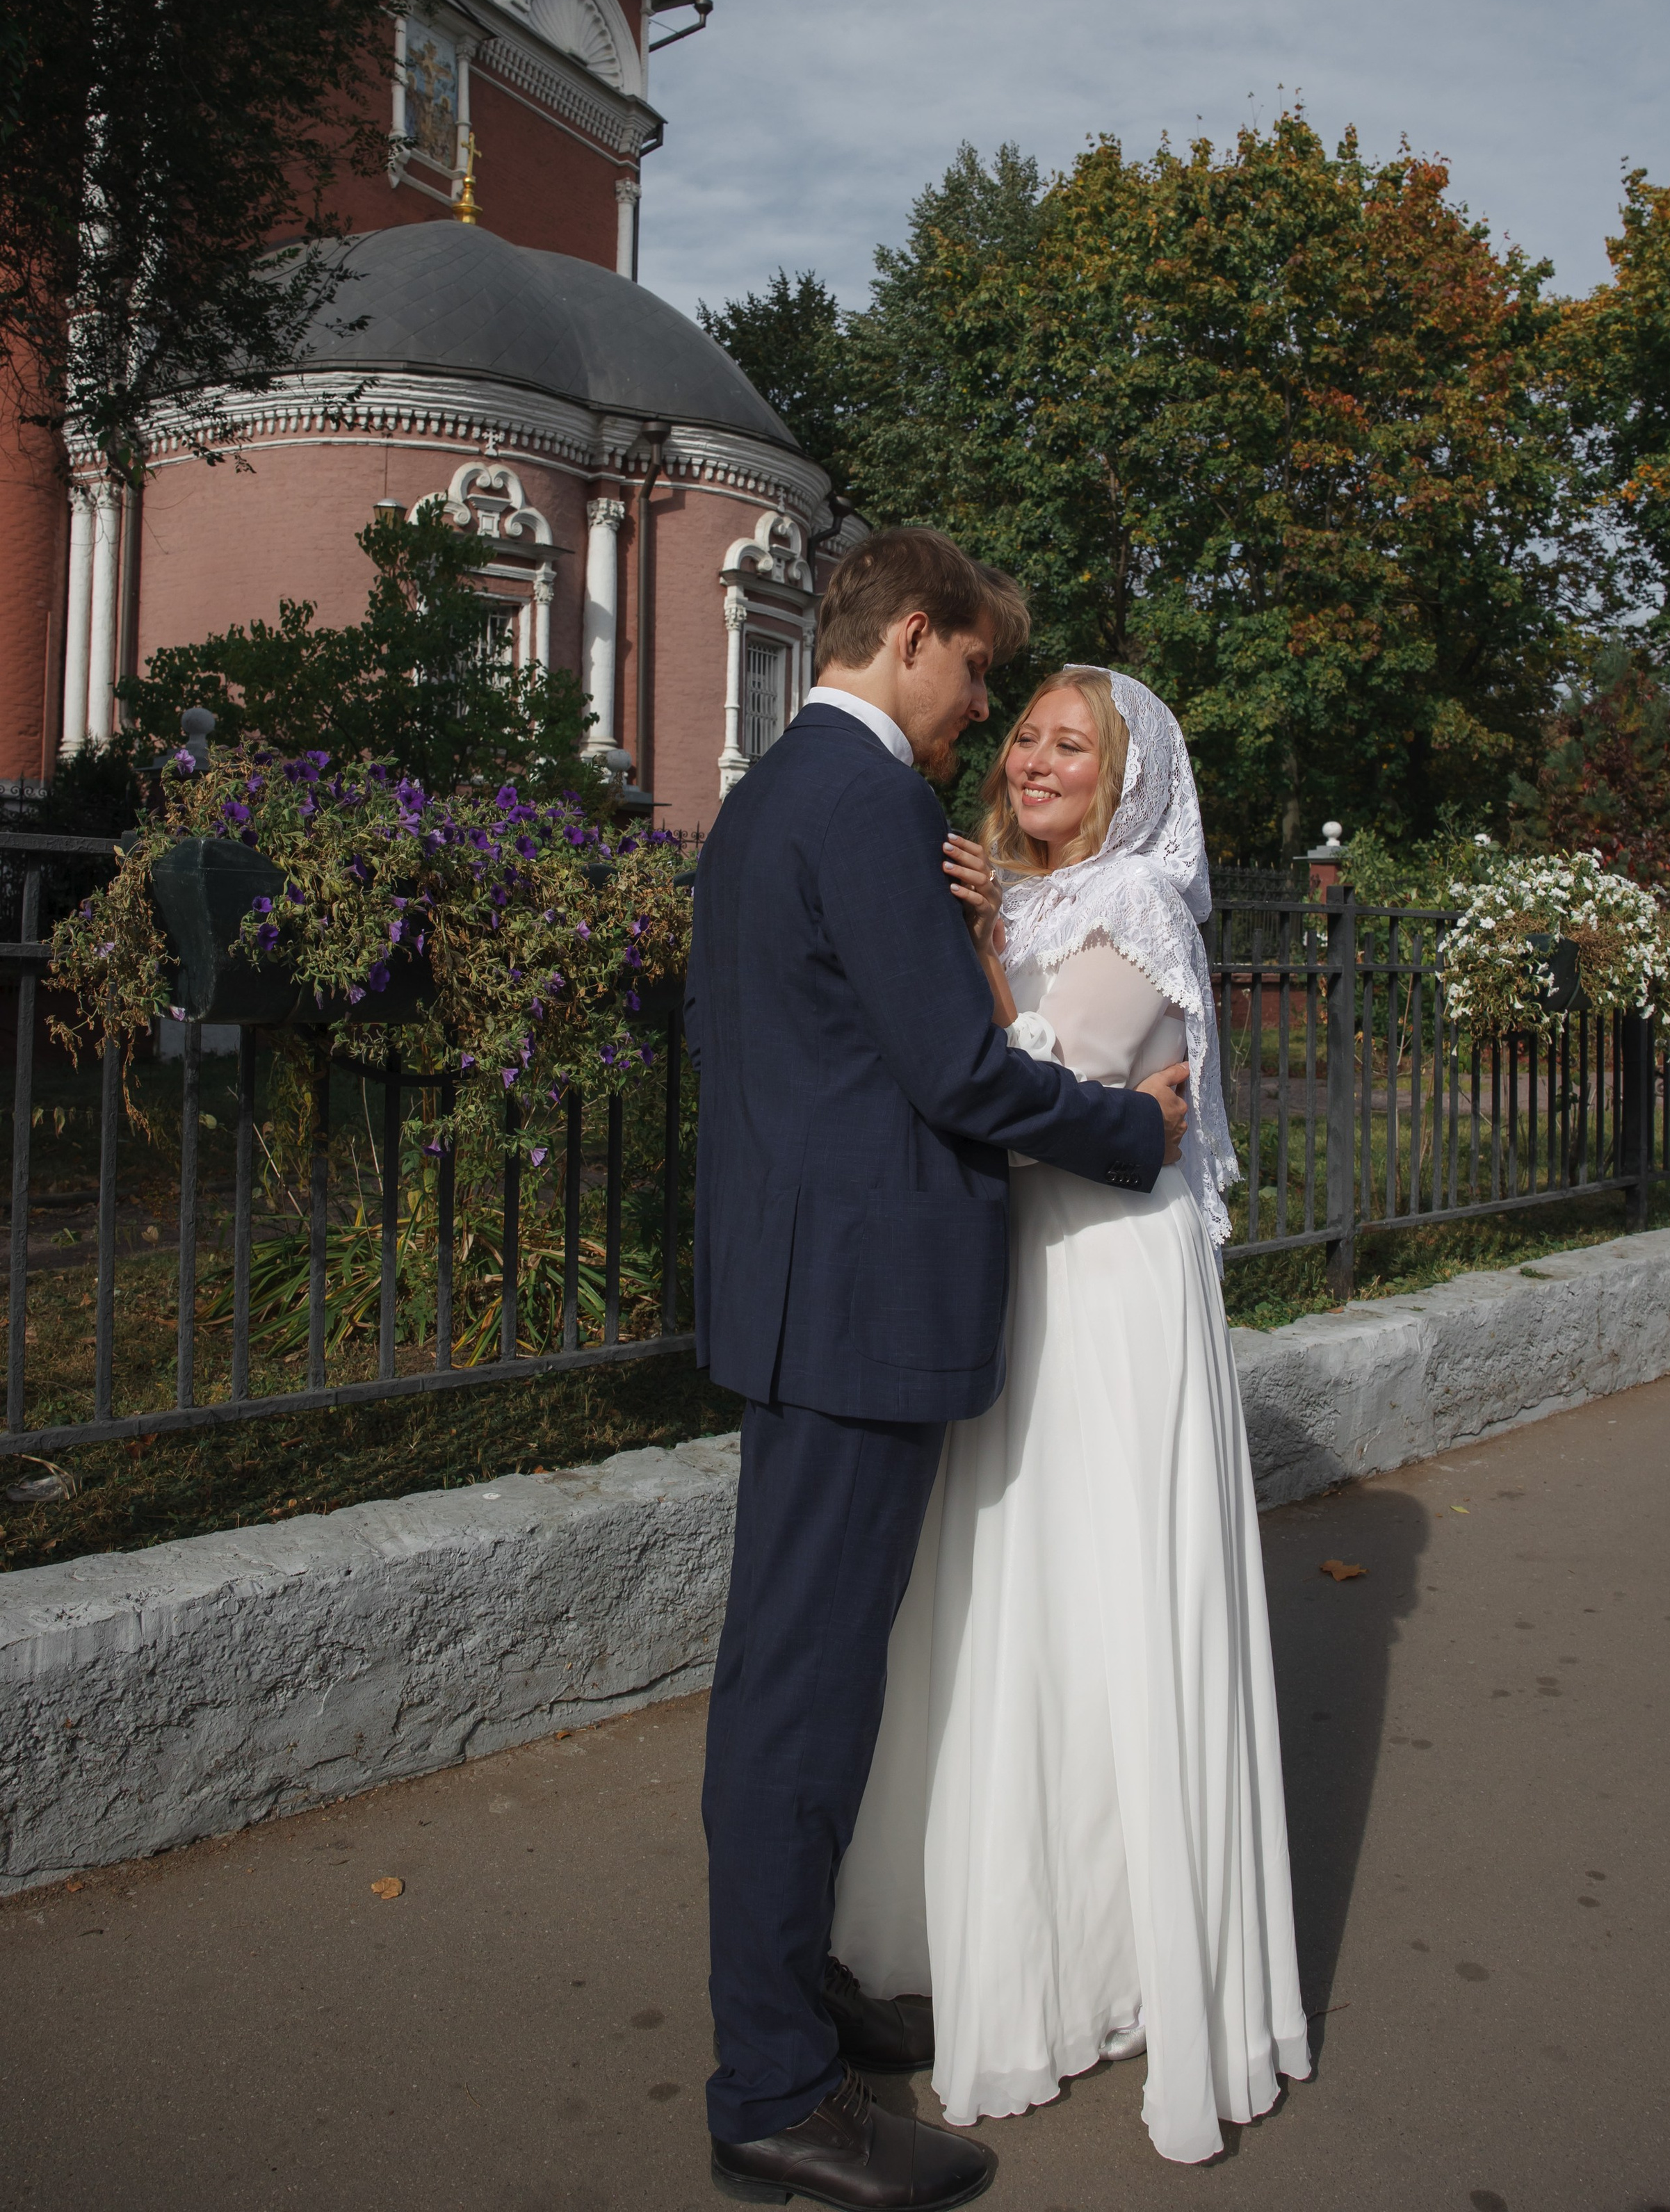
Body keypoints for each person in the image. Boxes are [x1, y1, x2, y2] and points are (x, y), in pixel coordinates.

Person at [686, 535, 1194, 2210]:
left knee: (801, 1676)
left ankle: (797, 1995)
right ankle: (774, 2089)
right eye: (976, 673)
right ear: (913, 636)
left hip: (801, 1291)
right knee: (803, 1693)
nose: (982, 712)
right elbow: (962, 1077)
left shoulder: (774, 790)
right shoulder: (870, 804)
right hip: (854, 1310)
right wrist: (1130, 1130)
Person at [832, 667, 1310, 2168]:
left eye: (1072, 746)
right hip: (1023, 1281)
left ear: (1127, 780)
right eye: (1026, 736)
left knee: (1097, 1599)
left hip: (1102, 1291)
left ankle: (1106, 1960)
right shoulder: (1015, 898)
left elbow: (1040, 1091)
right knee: (1003, 1600)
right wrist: (984, 942)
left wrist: (982, 963)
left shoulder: (1134, 905)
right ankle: (986, 1930)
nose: (1035, 760)